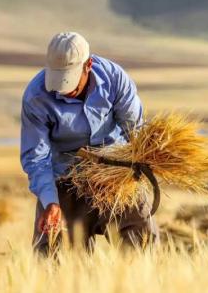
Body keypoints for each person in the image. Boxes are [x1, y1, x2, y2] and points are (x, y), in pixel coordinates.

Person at [20, 32, 158, 254]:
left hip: (116, 173)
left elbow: (135, 131)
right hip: (65, 176)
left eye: (70, 80)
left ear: (88, 65)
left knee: (141, 241)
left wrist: (141, 166)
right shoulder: (36, 96)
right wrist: (50, 202)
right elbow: (36, 157)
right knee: (54, 254)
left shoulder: (115, 79)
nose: (63, 88)